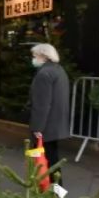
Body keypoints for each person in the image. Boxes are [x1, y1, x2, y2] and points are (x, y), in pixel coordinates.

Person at [28, 43, 70, 184]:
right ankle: (56, 189)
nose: (33, 59)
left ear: (43, 56)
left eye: (34, 56)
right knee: (52, 155)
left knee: (43, 157)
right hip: (56, 121)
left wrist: (37, 127)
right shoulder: (58, 70)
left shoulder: (44, 74)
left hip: (46, 124)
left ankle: (49, 188)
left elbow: (42, 104)